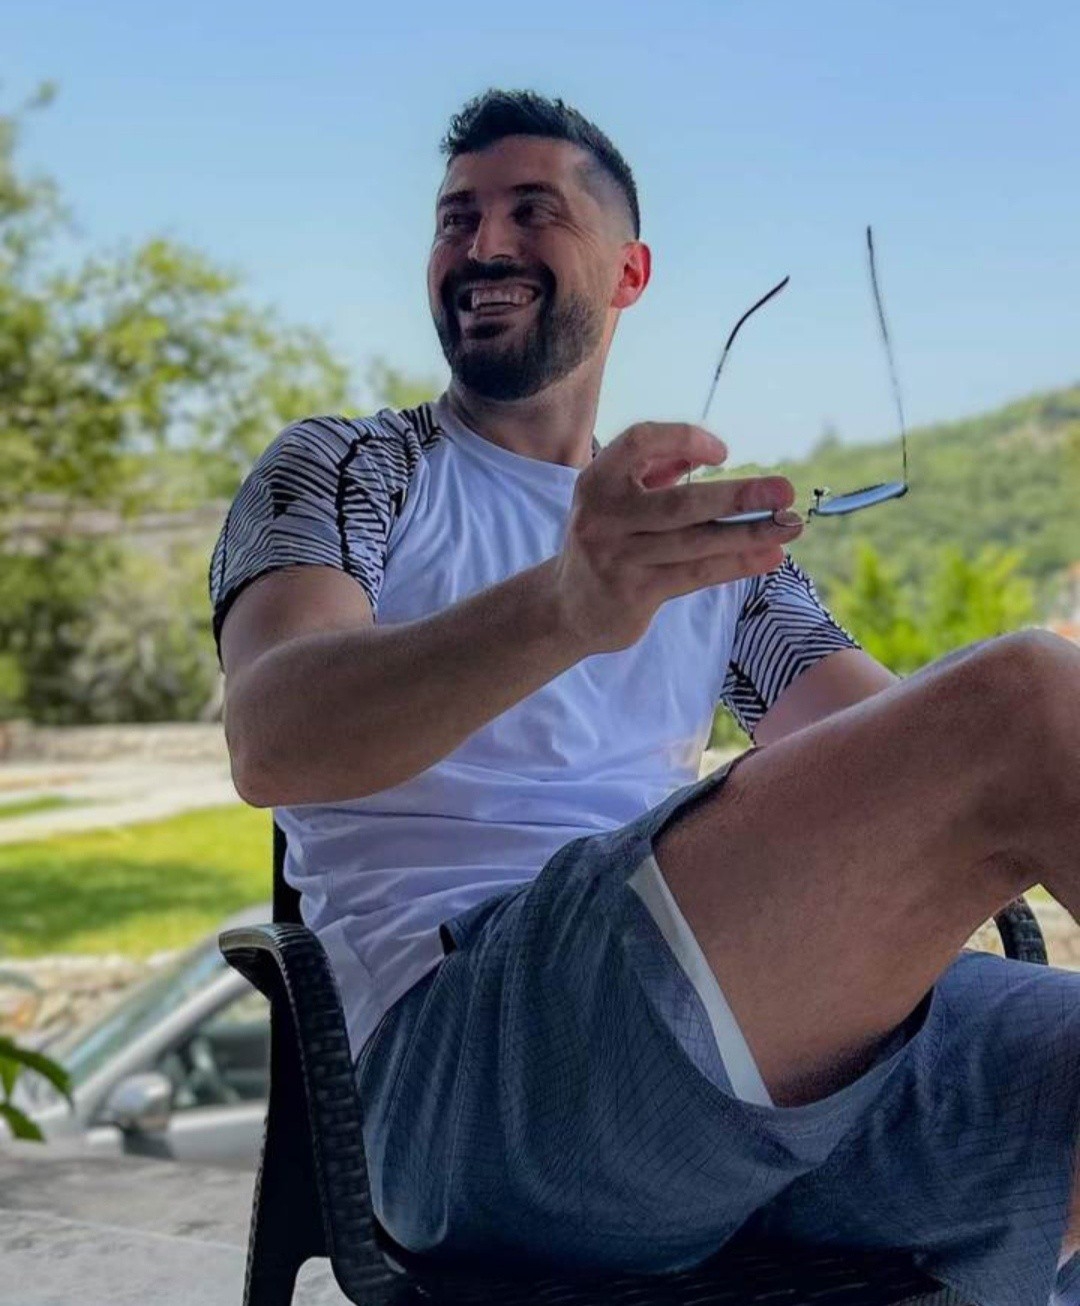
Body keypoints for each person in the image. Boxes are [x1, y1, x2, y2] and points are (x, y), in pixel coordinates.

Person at [208, 89, 1080, 1306]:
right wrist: (569, 601)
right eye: (456, 218)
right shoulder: (353, 467)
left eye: (532, 211)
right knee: (1029, 696)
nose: (484, 244)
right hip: (471, 1065)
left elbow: (916, 762)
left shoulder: (694, 544)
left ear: (630, 272)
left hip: (740, 1056)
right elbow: (275, 737)